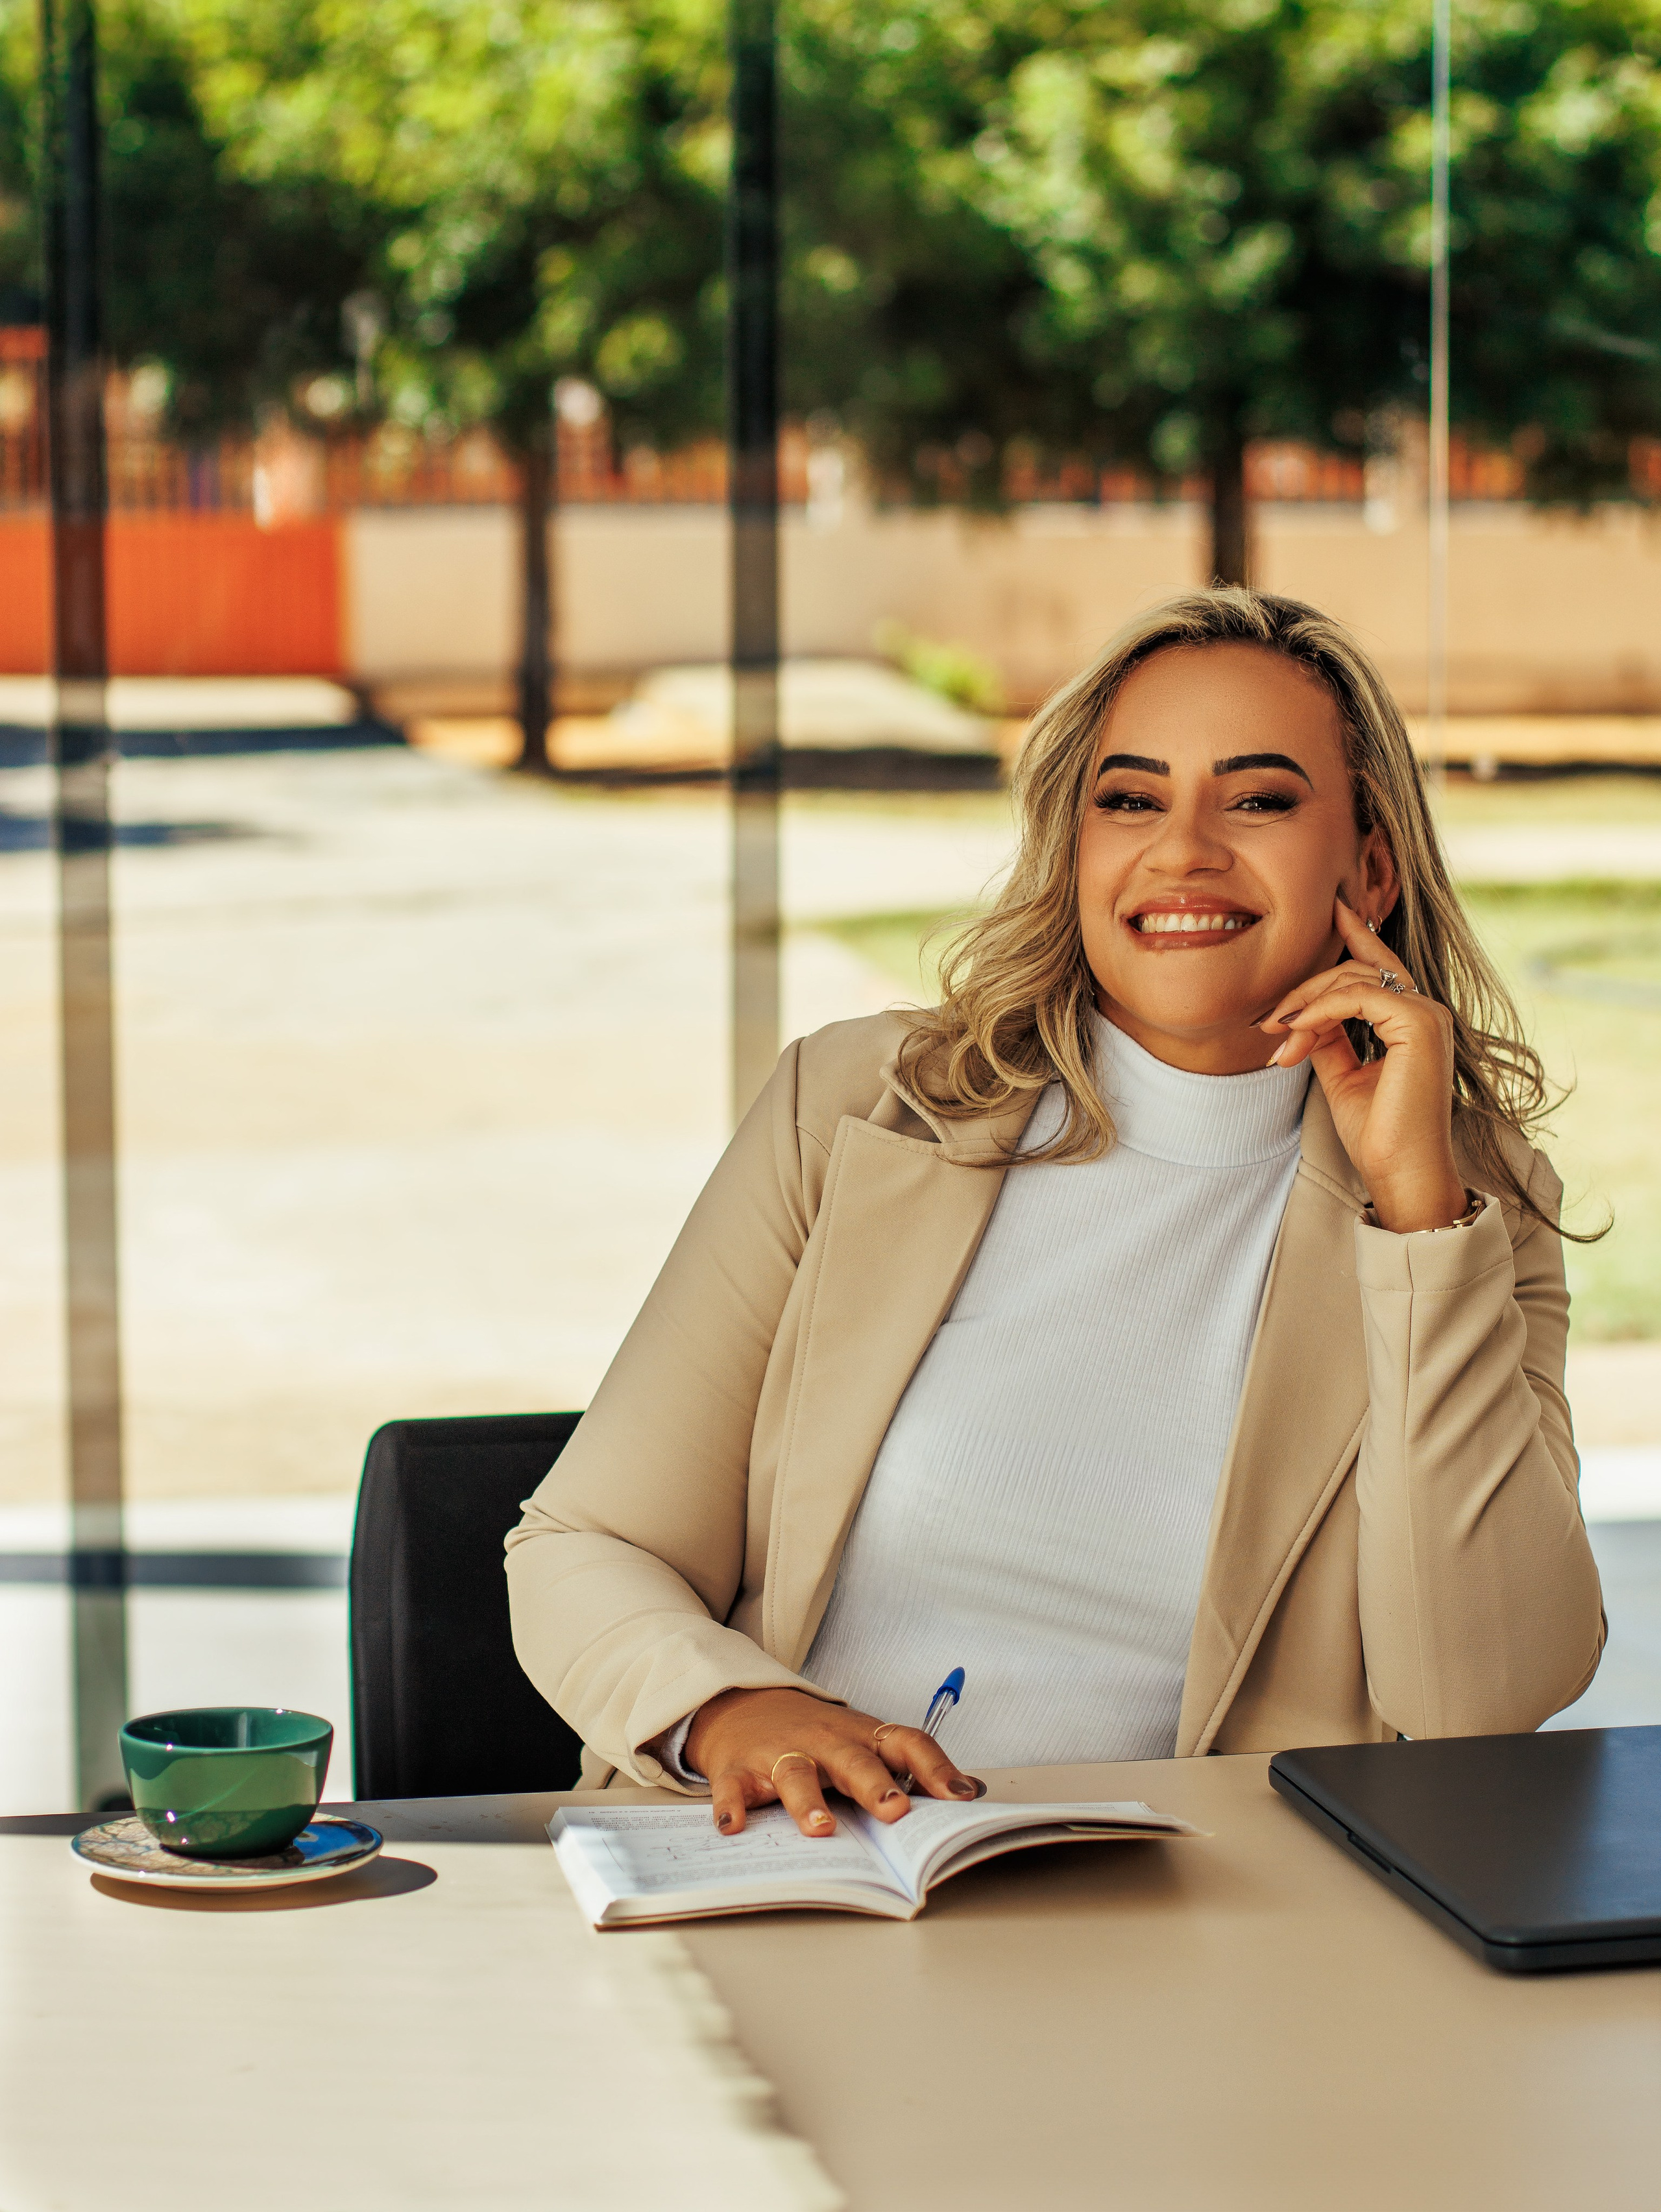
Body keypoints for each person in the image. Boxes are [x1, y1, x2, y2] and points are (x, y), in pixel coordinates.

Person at [506, 587, 1604, 1841]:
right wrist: (729, 1710)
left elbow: (1484, 1697)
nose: (1183, 848)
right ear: (1076, 848)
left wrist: (1418, 1218)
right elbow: (581, 1545)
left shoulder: (1474, 1215)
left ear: (1368, 865)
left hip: (1213, 1946)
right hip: (792, 1875)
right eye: (1130, 799)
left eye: (1257, 798)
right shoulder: (861, 1109)